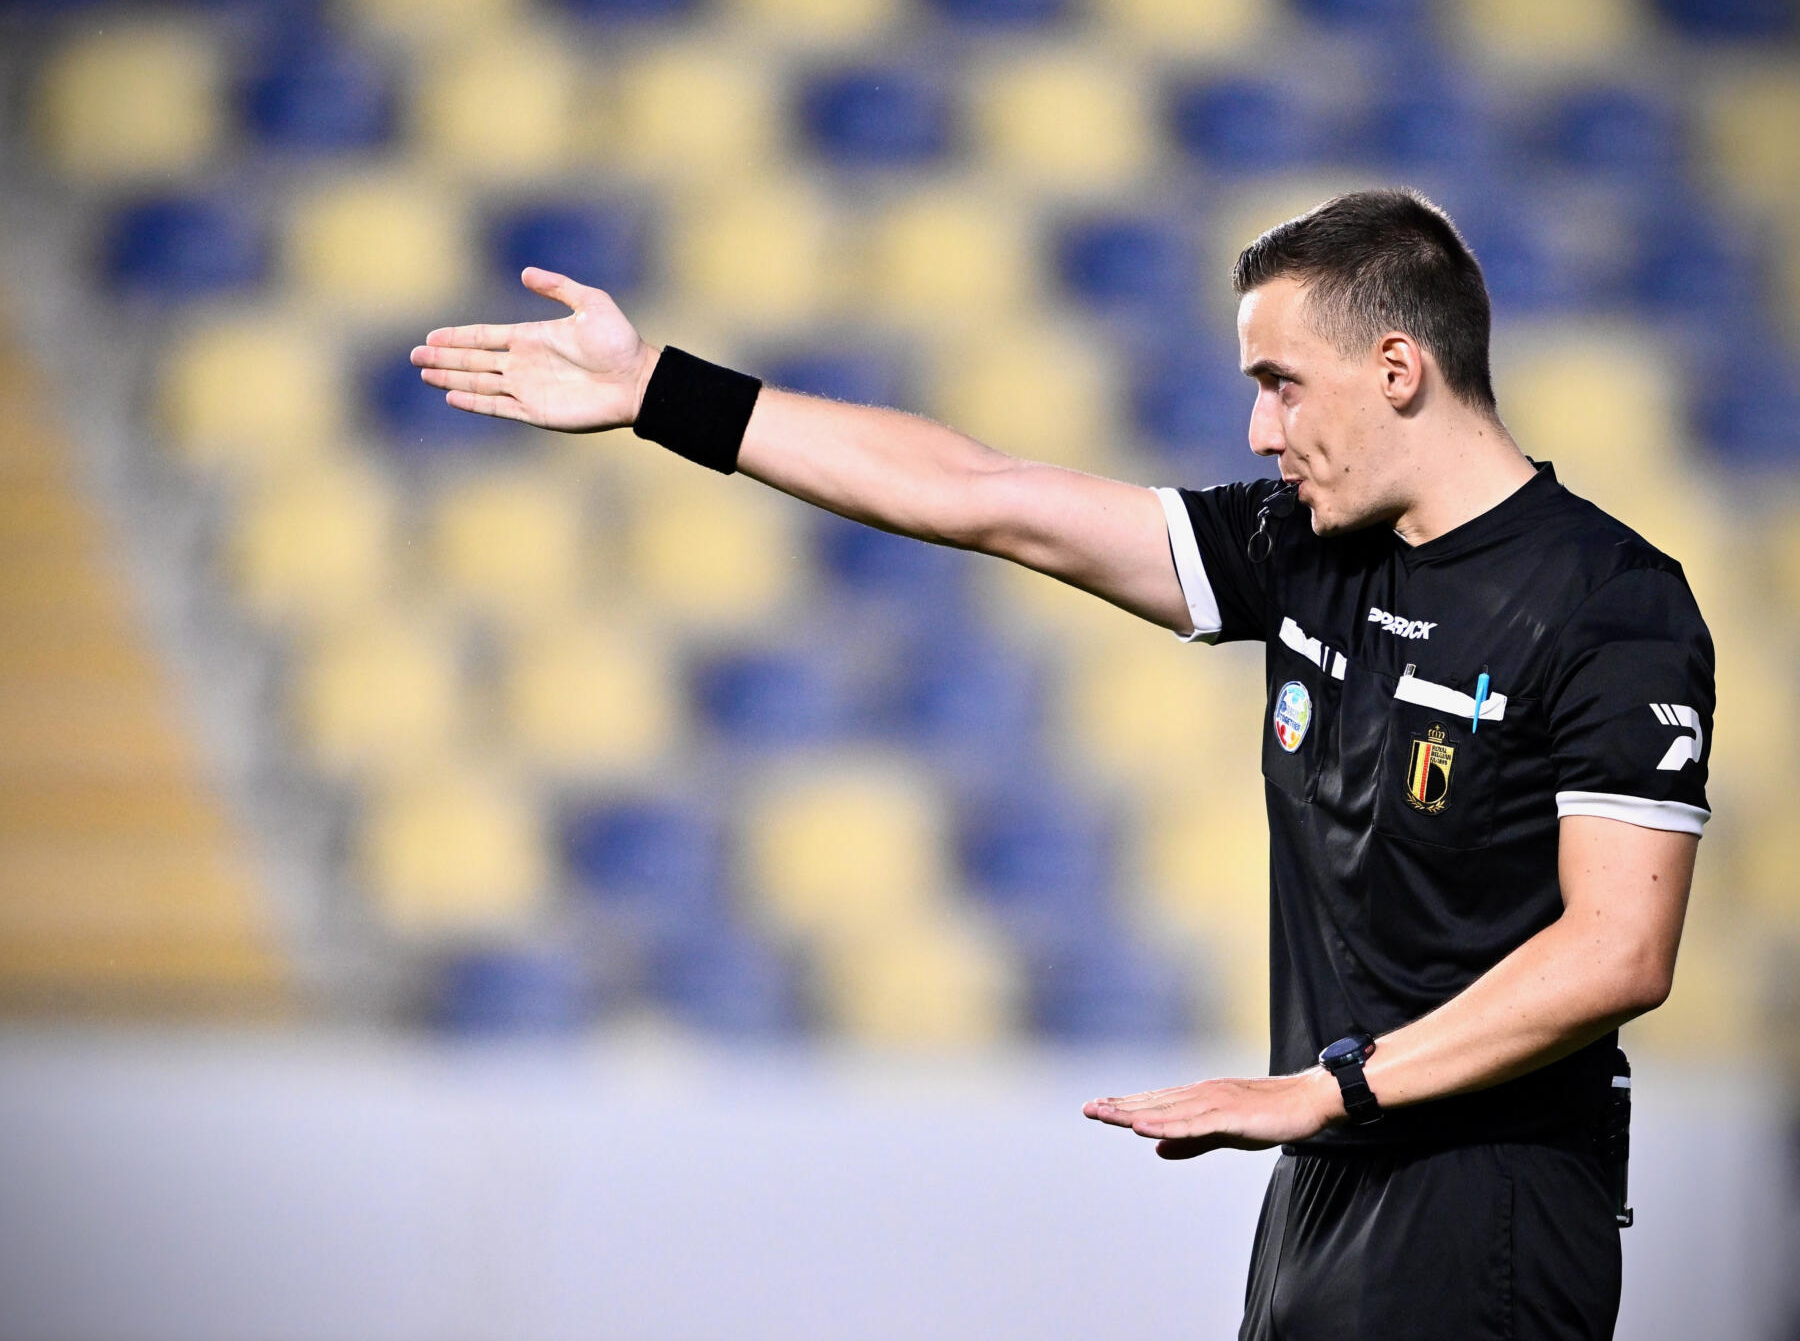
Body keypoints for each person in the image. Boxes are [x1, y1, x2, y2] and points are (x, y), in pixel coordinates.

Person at [410, 189, 1713, 1340]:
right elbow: (987, 495)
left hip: (1487, 1195)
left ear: (1396, 367)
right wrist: (661, 394)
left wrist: (1332, 1088)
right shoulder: (1311, 548)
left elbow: (1617, 953)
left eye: (1280, 383)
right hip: (1324, 1180)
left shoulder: (1607, 604)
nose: (1260, 432)